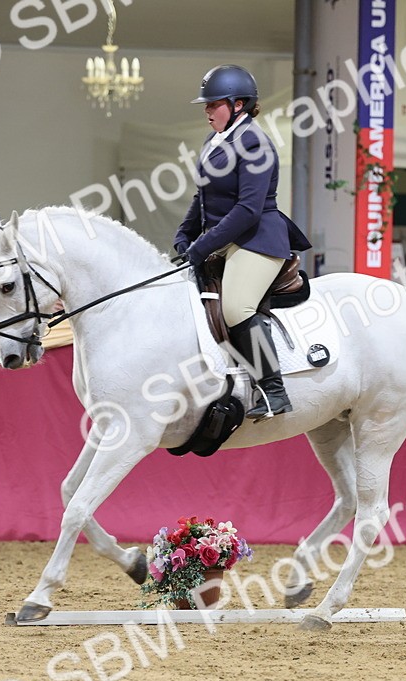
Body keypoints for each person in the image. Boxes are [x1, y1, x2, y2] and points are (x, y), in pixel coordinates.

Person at [174, 64, 311, 420]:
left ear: (238, 105)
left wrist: (202, 247)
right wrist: (186, 232)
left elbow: (248, 210)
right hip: (224, 238)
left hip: (257, 239)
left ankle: (273, 391)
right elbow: (202, 196)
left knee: (236, 307)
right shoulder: (214, 140)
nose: (206, 110)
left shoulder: (255, 143)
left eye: (213, 104)